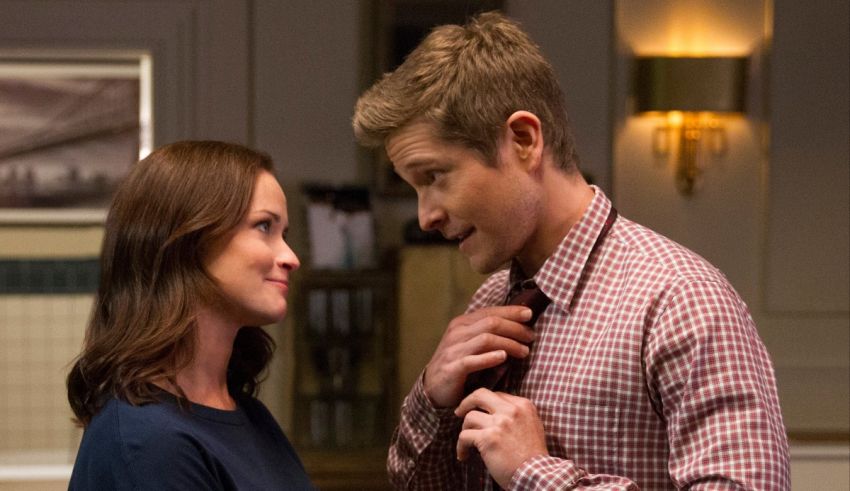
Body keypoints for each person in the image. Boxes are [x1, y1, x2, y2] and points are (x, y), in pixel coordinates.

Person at [353, 11, 789, 490]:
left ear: (523, 140)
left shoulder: (681, 301)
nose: (425, 216)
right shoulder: (488, 304)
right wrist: (430, 401)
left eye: (434, 177)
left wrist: (535, 475)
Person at [66, 141, 315, 490]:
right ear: (187, 240)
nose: (290, 257)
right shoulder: (148, 443)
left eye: (283, 234)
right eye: (264, 227)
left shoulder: (249, 416)